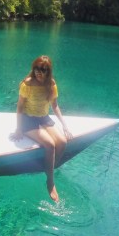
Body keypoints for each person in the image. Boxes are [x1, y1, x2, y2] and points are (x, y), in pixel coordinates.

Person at [10, 55, 73, 202]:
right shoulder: (27, 84)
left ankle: (49, 168)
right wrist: (18, 128)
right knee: (50, 145)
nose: (39, 72)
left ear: (48, 71)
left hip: (43, 118)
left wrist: (65, 126)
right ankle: (50, 182)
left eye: (43, 69)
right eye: (37, 68)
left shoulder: (51, 84)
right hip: (28, 119)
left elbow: (55, 106)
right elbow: (19, 106)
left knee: (62, 142)